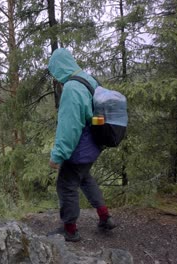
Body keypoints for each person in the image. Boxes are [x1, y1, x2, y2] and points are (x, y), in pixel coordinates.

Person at [48, 48, 116, 242]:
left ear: (59, 68)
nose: (55, 76)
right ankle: (105, 216)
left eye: (54, 71)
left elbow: (70, 127)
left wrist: (58, 155)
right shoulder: (88, 79)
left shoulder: (71, 88)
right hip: (94, 144)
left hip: (80, 147)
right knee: (85, 178)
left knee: (66, 184)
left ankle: (69, 230)